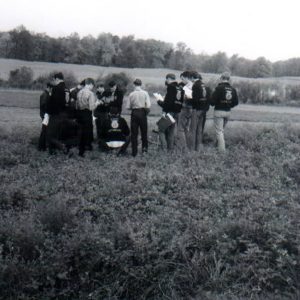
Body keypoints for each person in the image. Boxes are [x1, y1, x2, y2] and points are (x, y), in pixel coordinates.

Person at [210, 72, 239, 152]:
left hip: (219, 111)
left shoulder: (219, 88)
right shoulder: (233, 89)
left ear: (221, 78)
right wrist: (229, 105)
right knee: (221, 131)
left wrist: (214, 103)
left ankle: (222, 151)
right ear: (229, 79)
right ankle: (217, 146)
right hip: (228, 112)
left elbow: (212, 101)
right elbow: (236, 102)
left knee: (219, 132)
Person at [156, 73, 183, 151]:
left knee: (161, 130)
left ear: (168, 79)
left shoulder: (171, 87)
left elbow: (168, 103)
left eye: (166, 80)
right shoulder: (180, 88)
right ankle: (170, 150)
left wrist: (159, 102)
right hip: (177, 113)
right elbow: (180, 101)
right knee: (171, 132)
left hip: (169, 112)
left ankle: (164, 149)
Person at [45, 72, 68, 154]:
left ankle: (61, 146)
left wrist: (48, 112)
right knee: (57, 133)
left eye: (54, 80)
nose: (53, 81)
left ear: (57, 79)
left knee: (49, 134)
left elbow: (53, 103)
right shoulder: (66, 88)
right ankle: (53, 151)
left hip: (56, 114)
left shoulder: (56, 88)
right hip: (64, 114)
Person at [127, 78, 151, 157]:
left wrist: (134, 107)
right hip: (142, 112)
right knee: (144, 132)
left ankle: (134, 152)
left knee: (134, 133)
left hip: (134, 113)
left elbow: (128, 107)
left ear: (134, 85)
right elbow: (148, 105)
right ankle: (144, 150)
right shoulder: (145, 93)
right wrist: (145, 112)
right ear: (141, 84)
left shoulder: (131, 94)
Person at [76, 78, 99, 156]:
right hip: (86, 113)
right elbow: (91, 107)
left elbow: (77, 105)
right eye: (92, 86)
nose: (92, 87)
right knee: (86, 132)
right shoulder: (90, 93)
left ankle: (80, 147)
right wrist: (97, 103)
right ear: (90, 84)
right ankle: (83, 150)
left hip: (79, 113)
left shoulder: (79, 92)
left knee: (80, 131)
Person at [190, 71, 210, 151]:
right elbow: (208, 98)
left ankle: (192, 148)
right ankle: (198, 148)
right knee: (199, 129)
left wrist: (189, 99)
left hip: (197, 109)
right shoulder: (205, 85)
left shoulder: (195, 85)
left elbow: (195, 99)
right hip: (204, 110)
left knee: (193, 129)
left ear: (192, 78)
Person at [177, 71, 193, 150]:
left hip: (185, 109)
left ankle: (183, 148)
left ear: (187, 77)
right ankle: (188, 146)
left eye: (183, 79)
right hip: (191, 109)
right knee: (187, 128)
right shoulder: (193, 85)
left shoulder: (187, 87)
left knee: (180, 129)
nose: (182, 81)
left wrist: (181, 96)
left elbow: (189, 99)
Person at [38, 82, 52, 151]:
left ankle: (42, 146)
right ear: (49, 88)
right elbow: (44, 105)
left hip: (44, 114)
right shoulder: (45, 95)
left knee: (45, 130)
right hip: (45, 115)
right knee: (44, 130)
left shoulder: (45, 94)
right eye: (51, 89)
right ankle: (41, 147)